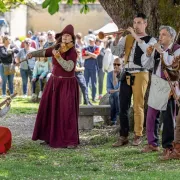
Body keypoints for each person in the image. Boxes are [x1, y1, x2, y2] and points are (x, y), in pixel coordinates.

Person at [27, 24, 79, 148]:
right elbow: (45, 52)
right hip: (54, 82)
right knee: (49, 108)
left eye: (68, 36)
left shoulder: (73, 51)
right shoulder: (57, 47)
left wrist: (58, 57)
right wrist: (32, 54)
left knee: (67, 112)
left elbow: (69, 67)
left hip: (67, 84)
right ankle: (48, 136)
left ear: (72, 38)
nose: (65, 38)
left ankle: (69, 140)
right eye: (64, 35)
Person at [111, 13, 157, 147]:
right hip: (127, 73)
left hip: (141, 73)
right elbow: (116, 52)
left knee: (138, 105)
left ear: (145, 24)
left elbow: (147, 51)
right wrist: (117, 39)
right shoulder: (128, 38)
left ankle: (138, 134)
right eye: (134, 22)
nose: (136, 25)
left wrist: (135, 36)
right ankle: (123, 135)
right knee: (123, 106)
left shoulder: (151, 40)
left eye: (139, 22)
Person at [141, 26, 180, 159]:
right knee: (151, 115)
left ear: (171, 37)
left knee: (168, 117)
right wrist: (148, 53)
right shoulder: (158, 49)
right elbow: (146, 65)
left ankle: (168, 147)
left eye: (164, 34)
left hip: (169, 86)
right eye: (160, 34)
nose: (160, 36)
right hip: (157, 83)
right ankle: (152, 143)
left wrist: (161, 51)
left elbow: (172, 66)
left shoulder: (177, 50)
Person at [82, 35, 100, 102]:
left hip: (94, 68)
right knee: (85, 83)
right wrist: (91, 55)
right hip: (86, 67)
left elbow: (95, 56)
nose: (90, 41)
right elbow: (83, 57)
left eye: (92, 40)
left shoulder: (97, 48)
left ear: (94, 41)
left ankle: (93, 98)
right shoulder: (85, 48)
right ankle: (85, 98)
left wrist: (88, 53)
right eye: (89, 40)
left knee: (94, 84)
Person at [107, 58, 122, 125]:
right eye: (114, 64)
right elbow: (108, 89)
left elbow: (120, 89)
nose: (116, 66)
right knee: (114, 95)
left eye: (118, 64)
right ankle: (117, 118)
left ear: (122, 65)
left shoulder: (124, 74)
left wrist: (115, 78)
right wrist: (114, 76)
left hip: (123, 95)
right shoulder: (110, 74)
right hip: (114, 95)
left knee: (115, 95)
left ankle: (114, 119)